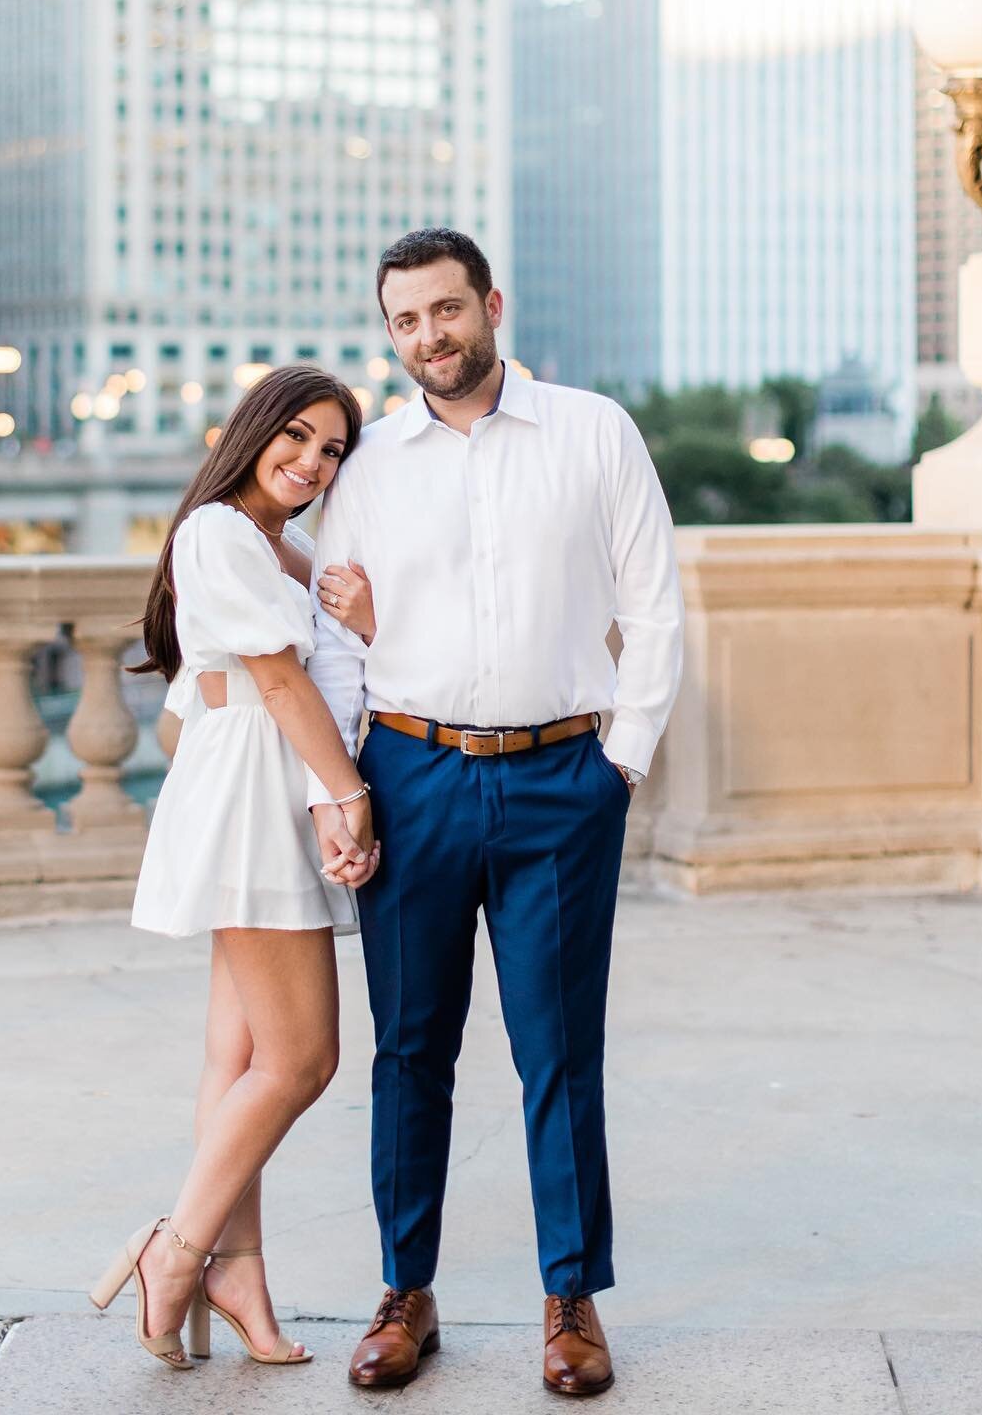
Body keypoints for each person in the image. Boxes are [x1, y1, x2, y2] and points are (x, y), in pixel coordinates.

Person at [308, 229, 684, 1397]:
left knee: (559, 1053)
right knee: (409, 1049)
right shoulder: (368, 465)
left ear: (492, 306)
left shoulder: (593, 432)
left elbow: (657, 611)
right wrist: (344, 789)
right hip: (411, 780)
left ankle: (570, 1301)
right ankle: (404, 1291)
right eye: (407, 321)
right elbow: (334, 636)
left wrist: (616, 767)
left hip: (560, 784)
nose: (432, 337)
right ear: (391, 335)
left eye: (448, 311)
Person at [90, 365, 382, 1373]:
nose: (310, 461)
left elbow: (199, 704)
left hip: (247, 784)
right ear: (252, 431)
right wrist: (345, 795)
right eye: (295, 436)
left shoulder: (272, 546)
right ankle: (173, 1252)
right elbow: (279, 678)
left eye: (332, 449)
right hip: (263, 793)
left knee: (239, 1060)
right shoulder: (219, 530)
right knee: (301, 1062)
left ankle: (238, 1268)